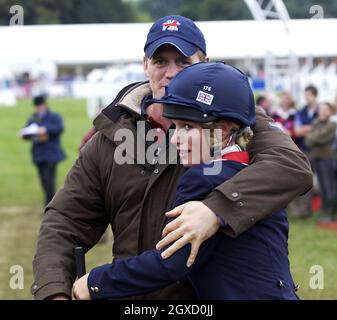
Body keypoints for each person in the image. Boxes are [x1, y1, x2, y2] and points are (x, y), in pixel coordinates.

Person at [32, 15, 312, 300]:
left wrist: (215, 210)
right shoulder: (110, 137)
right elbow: (65, 220)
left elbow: (292, 167)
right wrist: (54, 291)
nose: (170, 72)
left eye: (183, 62)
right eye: (160, 61)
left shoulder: (235, 121)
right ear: (145, 65)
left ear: (205, 62)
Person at [72, 62, 298, 300]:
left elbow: (171, 263)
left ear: (220, 131)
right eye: (176, 127)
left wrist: (95, 283)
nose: (176, 138)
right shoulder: (254, 171)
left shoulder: (202, 178)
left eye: (187, 127)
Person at [20, 95, 65, 206]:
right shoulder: (33, 118)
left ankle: (49, 206)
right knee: (44, 182)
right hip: (38, 155)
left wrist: (45, 130)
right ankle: (51, 204)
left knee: (49, 181)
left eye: (40, 105)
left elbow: (59, 128)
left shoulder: (54, 116)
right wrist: (24, 134)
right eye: (37, 106)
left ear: (45, 105)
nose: (39, 108)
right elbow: (28, 131)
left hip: (51, 154)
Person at [305, 102, 337, 222]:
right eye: (321, 109)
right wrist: (313, 137)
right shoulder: (316, 122)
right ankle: (325, 211)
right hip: (317, 159)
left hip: (328, 159)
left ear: (330, 111)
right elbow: (308, 141)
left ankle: (331, 213)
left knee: (330, 187)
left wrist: (313, 136)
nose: (322, 112)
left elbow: (319, 137)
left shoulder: (332, 124)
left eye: (325, 109)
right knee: (322, 187)